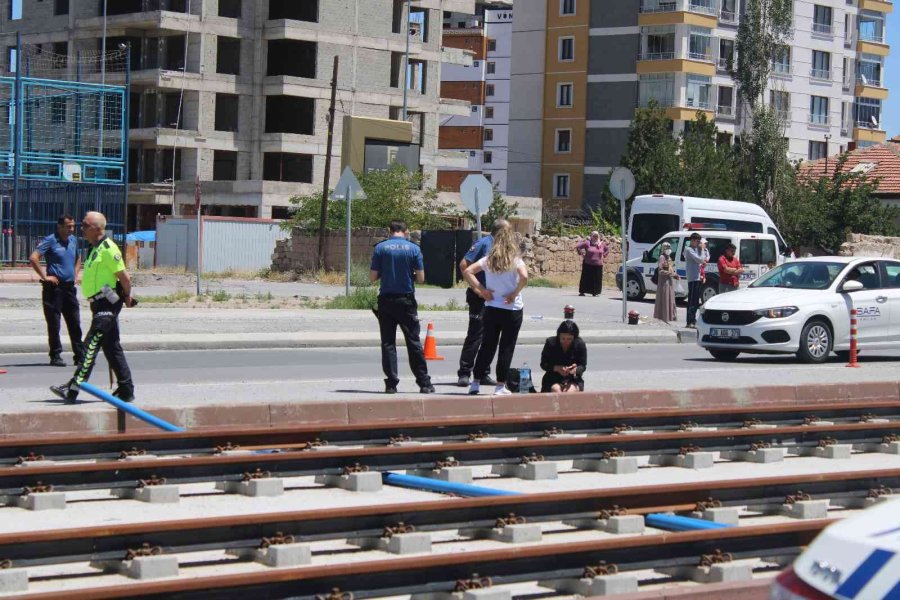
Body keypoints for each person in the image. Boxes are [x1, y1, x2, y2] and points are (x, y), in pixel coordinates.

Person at [50, 212, 136, 404]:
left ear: (96, 228)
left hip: (108, 303)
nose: (81, 228)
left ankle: (73, 388)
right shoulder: (94, 248)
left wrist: (128, 297)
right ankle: (126, 389)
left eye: (84, 225)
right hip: (98, 303)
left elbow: (124, 278)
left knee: (90, 344)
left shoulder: (108, 248)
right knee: (111, 347)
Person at [369, 220, 434, 394]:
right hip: (406, 302)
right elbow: (420, 278)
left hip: (386, 301)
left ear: (389, 231)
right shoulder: (414, 249)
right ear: (406, 232)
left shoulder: (380, 248)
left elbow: (372, 277)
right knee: (413, 342)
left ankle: (391, 384)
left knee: (388, 343)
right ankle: (424, 383)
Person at [463, 227, 529, 396]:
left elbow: (468, 271)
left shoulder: (488, 260)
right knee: (506, 347)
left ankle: (476, 382)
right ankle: (500, 385)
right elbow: (524, 277)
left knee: (487, 345)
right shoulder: (516, 261)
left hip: (492, 307)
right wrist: (514, 293)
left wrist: (481, 290)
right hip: (512, 309)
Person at [456, 219, 510, 387]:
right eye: (507, 231)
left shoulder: (502, 248)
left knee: (490, 337)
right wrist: (478, 289)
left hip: (495, 300)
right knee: (475, 335)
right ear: (500, 232)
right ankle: (464, 372)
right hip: (479, 298)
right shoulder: (484, 243)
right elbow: (464, 265)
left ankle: (483, 372)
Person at [29, 214, 85, 367]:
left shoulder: (73, 240)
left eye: (73, 226)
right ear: (59, 227)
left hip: (69, 288)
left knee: (75, 322)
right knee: (54, 323)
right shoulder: (50, 240)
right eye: (68, 226)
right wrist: (44, 277)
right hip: (54, 289)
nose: (71, 229)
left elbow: (77, 258)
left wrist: (75, 274)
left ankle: (80, 355)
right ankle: (55, 355)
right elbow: (34, 258)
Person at [540, 320, 587, 393]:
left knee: (569, 391)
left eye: (569, 339)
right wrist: (557, 368)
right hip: (553, 377)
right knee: (556, 390)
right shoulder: (551, 343)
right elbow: (543, 364)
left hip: (573, 378)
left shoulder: (580, 344)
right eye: (563, 338)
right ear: (559, 336)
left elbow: (583, 366)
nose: (566, 341)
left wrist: (575, 369)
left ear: (574, 338)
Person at [684, 232, 709, 328]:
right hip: (693, 278)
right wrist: (702, 249)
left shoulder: (697, 249)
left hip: (698, 277)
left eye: (699, 241)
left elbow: (706, 257)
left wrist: (704, 248)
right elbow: (699, 259)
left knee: (696, 301)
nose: (698, 243)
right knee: (691, 300)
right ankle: (689, 321)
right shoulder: (689, 249)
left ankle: (693, 320)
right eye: (697, 241)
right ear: (692, 240)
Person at [576, 231, 609, 297]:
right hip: (588, 264)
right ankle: (582, 292)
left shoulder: (601, 244)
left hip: (598, 265)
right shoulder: (588, 243)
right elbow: (578, 246)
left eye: (596, 236)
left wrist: (604, 255)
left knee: (597, 279)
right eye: (594, 236)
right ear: (591, 236)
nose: (595, 237)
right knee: (585, 278)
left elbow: (607, 249)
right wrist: (581, 253)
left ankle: (595, 292)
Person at [653, 241, 679, 323]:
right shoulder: (662, 257)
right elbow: (660, 271)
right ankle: (663, 317)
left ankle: (670, 317)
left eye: (669, 248)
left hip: (669, 281)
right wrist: (670, 273)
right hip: (664, 282)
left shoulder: (669, 258)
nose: (669, 249)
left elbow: (671, 268)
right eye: (667, 248)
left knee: (670, 299)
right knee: (664, 299)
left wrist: (674, 274)